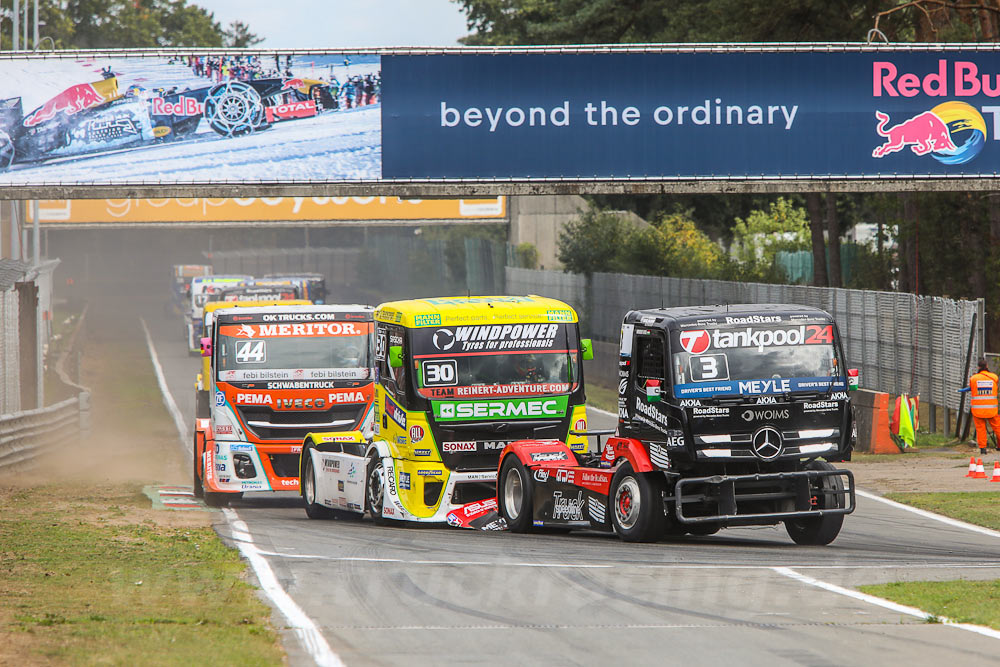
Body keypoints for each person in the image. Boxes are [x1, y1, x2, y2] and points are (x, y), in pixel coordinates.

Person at [962, 358, 1000, 456]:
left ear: (978, 367)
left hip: (978, 410)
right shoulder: (994, 377)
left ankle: (983, 449)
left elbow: (971, 387)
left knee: (981, 429)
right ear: (987, 366)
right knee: (997, 428)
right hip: (992, 409)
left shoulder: (974, 378)